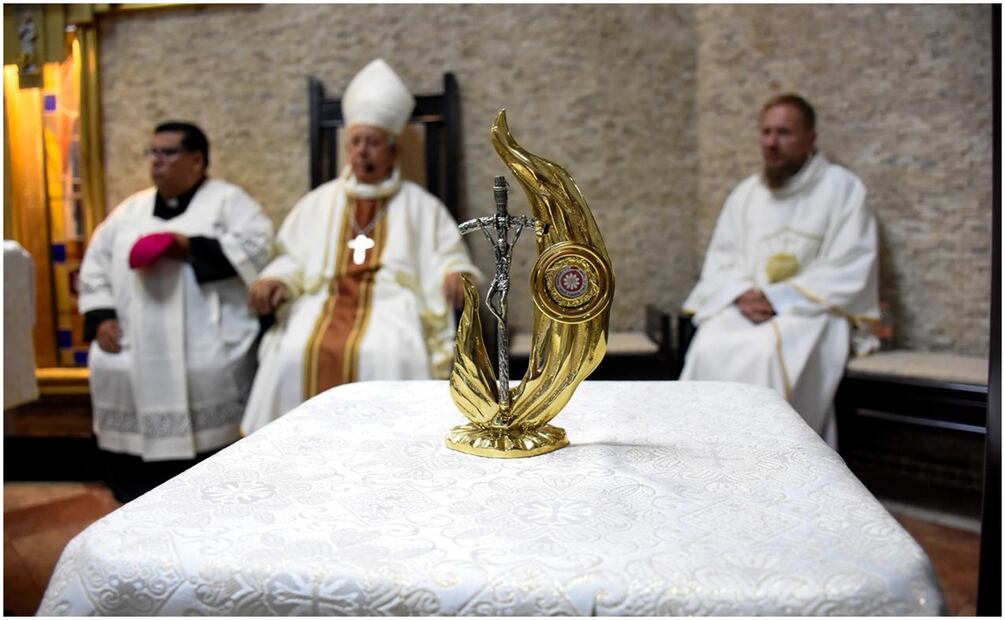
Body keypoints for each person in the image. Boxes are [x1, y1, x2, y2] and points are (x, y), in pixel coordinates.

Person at [242, 59, 481, 434]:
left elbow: (447, 255)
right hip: (323, 298)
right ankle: (290, 447)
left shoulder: (421, 205)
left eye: (372, 143)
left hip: (392, 302)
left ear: (392, 150)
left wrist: (456, 275)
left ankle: (391, 447)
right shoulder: (319, 202)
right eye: (355, 142)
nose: (362, 152)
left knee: (391, 353)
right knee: (291, 353)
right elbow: (291, 257)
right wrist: (277, 280)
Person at [78, 121, 273, 497]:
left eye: (167, 153)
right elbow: (96, 266)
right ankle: (131, 491)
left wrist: (189, 246)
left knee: (209, 375)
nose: (156, 161)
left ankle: (209, 493)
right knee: (109, 368)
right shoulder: (129, 212)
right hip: (133, 341)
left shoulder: (229, 202)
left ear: (197, 161)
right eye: (152, 152)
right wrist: (101, 317)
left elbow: (258, 250)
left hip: (207, 336)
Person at [680, 94, 879, 443]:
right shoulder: (746, 194)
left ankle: (773, 465)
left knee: (766, 354)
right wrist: (741, 294)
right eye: (766, 132)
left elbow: (850, 265)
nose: (771, 143)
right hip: (749, 305)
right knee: (708, 345)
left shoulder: (842, 189)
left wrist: (778, 298)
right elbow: (722, 261)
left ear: (810, 138)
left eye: (784, 133)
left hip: (808, 310)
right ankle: (704, 456)